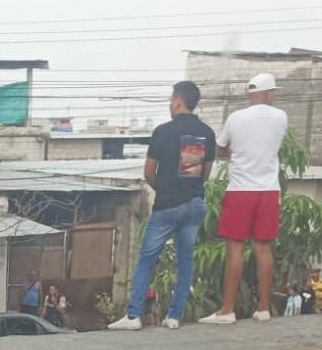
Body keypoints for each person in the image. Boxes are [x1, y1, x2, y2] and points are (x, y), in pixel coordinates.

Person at [111, 81, 216, 331]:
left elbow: (148, 172)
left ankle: (134, 315)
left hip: (167, 205)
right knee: (185, 261)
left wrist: (166, 189)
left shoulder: (162, 132)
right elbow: (205, 174)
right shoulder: (206, 133)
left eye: (171, 100)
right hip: (194, 204)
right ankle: (174, 316)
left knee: (147, 258)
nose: (170, 105)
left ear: (178, 101)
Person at [200, 73, 288, 325]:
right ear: (269, 93)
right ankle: (263, 308)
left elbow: (220, 148)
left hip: (239, 189)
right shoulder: (281, 117)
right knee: (263, 248)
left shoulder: (236, 118)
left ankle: (227, 309)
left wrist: (235, 153)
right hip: (269, 190)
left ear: (250, 94)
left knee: (235, 249)